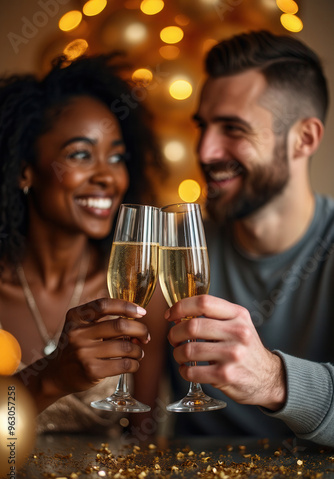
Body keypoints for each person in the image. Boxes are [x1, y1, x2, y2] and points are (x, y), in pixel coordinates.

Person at [159, 30, 334, 447]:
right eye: (203, 126)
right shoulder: (177, 246)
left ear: (304, 139)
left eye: (233, 129)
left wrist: (274, 381)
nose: (204, 152)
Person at [0, 53, 163, 434]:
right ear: (25, 169)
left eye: (117, 156)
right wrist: (48, 380)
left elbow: (143, 436)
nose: (108, 176)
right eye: (80, 154)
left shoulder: (138, 292)